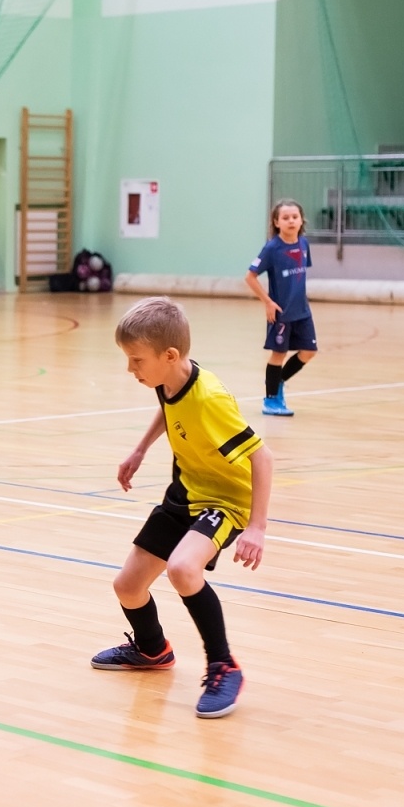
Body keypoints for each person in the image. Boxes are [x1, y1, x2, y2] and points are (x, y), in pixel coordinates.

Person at [90, 296, 273, 719]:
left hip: (225, 502)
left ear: (169, 355)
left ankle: (223, 665)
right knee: (128, 586)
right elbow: (167, 402)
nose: (130, 369)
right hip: (184, 494)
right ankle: (152, 650)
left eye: (136, 361)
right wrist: (139, 450)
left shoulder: (209, 400)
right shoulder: (168, 377)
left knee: (183, 569)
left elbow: (261, 458)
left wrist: (257, 528)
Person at [245, 199, 315, 416]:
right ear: (276, 222)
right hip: (281, 313)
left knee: (309, 351)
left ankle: (279, 381)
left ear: (301, 219)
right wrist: (267, 301)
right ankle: (270, 400)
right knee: (279, 354)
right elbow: (250, 276)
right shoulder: (272, 248)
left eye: (295, 217)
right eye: (285, 218)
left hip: (302, 311)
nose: (291, 221)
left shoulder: (303, 244)